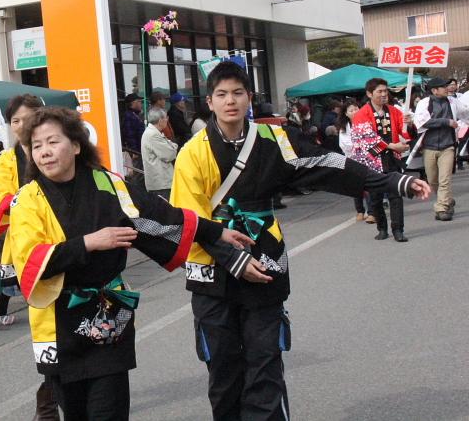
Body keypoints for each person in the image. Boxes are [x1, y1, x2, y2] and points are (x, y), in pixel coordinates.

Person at [170, 61, 430, 421]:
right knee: (223, 372)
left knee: (265, 365)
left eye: (238, 93)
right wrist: (234, 260)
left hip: (264, 260)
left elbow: (330, 164)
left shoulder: (275, 139)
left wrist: (392, 181)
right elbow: (189, 219)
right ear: (210, 102)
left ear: (249, 98)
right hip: (212, 271)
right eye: (222, 94)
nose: (230, 101)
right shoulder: (191, 153)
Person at [8, 106, 254, 420]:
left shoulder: (108, 184)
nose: (44, 152)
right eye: (36, 145)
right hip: (58, 326)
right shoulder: (26, 200)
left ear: (77, 145)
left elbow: (160, 217)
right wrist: (89, 242)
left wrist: (215, 231)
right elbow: (30, 261)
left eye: (53, 142)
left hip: (109, 316)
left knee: (109, 411)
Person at [0, 93, 61, 420]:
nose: (20, 126)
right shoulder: (4, 161)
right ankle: (49, 403)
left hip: (68, 244)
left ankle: (54, 397)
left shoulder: (60, 149)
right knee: (47, 323)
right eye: (14, 120)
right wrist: (29, 200)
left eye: (27, 118)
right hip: (30, 251)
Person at [351, 78, 413, 242]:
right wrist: (392, 146)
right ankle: (382, 228)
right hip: (372, 161)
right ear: (369, 94)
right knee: (375, 197)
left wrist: (409, 125)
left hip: (391, 159)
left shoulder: (394, 111)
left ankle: (398, 229)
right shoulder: (361, 114)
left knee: (396, 195)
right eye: (380, 91)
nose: (384, 94)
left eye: (385, 91)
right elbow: (366, 140)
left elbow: (405, 133)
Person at [413, 78, 469, 221]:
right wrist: (446, 122)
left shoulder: (453, 101)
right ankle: (447, 199)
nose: (447, 88)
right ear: (434, 90)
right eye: (443, 87)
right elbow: (423, 122)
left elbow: (465, 113)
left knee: (445, 179)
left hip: (448, 146)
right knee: (433, 180)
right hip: (429, 147)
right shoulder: (424, 103)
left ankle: (441, 208)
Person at [336, 99, 372, 222]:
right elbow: (344, 144)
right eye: (351, 110)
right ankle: (360, 210)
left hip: (367, 158)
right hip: (352, 158)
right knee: (356, 186)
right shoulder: (344, 128)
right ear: (346, 113)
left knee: (368, 186)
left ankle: (371, 211)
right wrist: (357, 145)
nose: (354, 112)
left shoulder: (366, 122)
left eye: (356, 109)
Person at [140, 107, 178, 200]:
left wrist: (172, 146)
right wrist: (173, 147)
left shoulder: (153, 132)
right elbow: (170, 154)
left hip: (160, 183)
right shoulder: (153, 134)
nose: (167, 120)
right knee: (165, 208)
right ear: (160, 120)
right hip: (161, 184)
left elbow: (171, 147)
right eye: (166, 118)